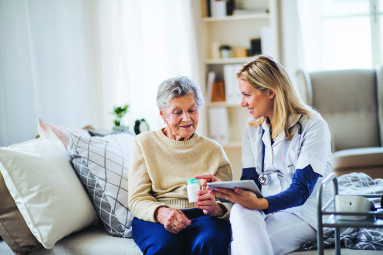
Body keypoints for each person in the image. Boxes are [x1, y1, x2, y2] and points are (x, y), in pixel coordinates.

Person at [196, 55, 333, 255]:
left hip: (305, 212)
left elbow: (301, 191)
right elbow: (251, 182)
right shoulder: (252, 128)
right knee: (240, 210)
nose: (242, 103)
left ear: (270, 92)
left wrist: (259, 204)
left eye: (247, 95)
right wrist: (227, 190)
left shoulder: (313, 125)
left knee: (240, 247)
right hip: (269, 209)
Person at [128, 76, 233, 255]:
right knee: (163, 248)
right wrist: (162, 213)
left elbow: (229, 201)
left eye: (192, 110)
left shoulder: (213, 149)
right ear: (162, 114)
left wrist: (215, 208)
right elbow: (137, 199)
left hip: (203, 216)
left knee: (210, 243)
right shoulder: (143, 144)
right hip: (158, 216)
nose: (187, 118)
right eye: (177, 112)